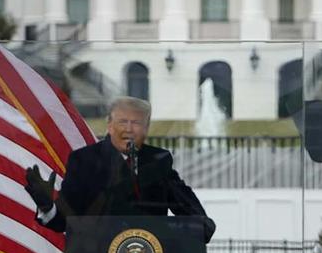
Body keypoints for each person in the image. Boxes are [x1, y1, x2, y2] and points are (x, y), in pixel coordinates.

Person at [25, 96, 214, 243]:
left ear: (146, 129)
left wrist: (199, 225)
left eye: (137, 123)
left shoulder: (158, 160)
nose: (129, 129)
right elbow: (65, 219)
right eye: (123, 122)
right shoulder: (84, 160)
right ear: (109, 125)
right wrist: (47, 207)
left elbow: (186, 206)